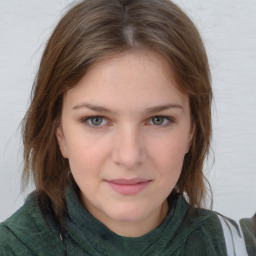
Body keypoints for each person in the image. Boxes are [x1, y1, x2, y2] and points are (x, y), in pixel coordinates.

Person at [0, 0, 255, 255]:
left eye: (158, 119)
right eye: (96, 120)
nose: (129, 156)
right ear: (60, 133)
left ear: (192, 131)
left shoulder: (238, 246)